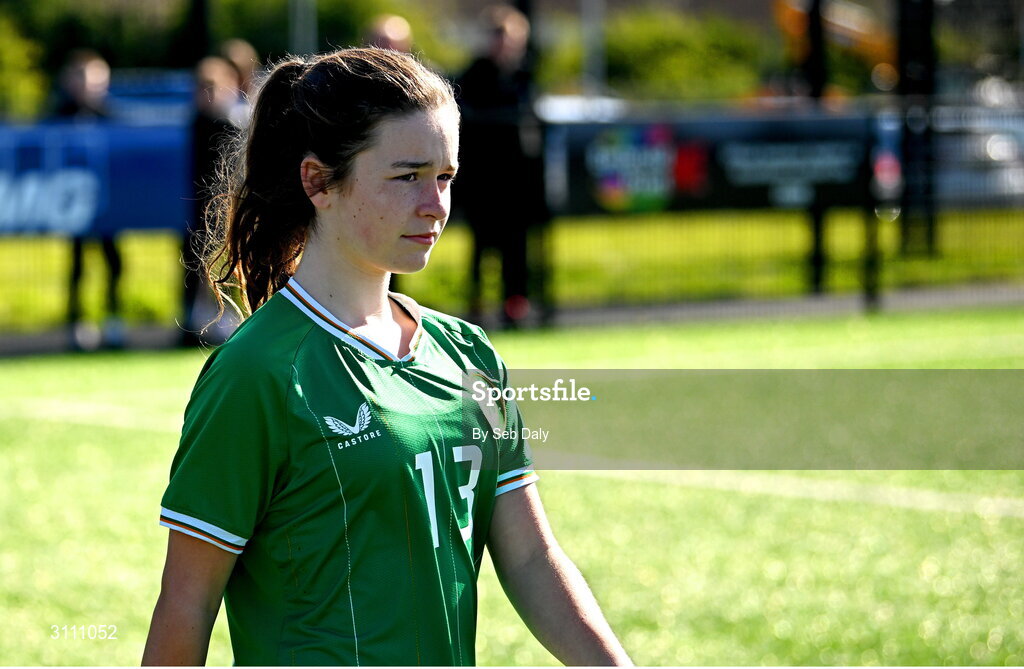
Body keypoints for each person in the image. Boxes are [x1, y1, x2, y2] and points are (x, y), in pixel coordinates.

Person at [141, 48, 631, 666]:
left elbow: (532, 558)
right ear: (318, 181)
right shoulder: (257, 372)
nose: (435, 205)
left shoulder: (469, 354)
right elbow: (186, 605)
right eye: (407, 176)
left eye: (446, 177)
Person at [456, 5, 549, 328]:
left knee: (517, 249)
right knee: (481, 247)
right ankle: (477, 307)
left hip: (518, 183)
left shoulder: (525, 77)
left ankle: (516, 306)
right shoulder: (471, 77)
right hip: (483, 182)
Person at [54, 49, 124, 350]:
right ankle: (77, 322)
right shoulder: (58, 114)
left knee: (114, 261)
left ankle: (113, 319)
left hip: (106, 204)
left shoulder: (112, 116)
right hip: (74, 205)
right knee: (78, 262)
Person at [181, 55, 243, 346]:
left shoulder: (233, 126)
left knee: (230, 260)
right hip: (195, 211)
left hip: (227, 208)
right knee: (193, 264)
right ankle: (191, 321)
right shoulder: (193, 126)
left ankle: (229, 316)